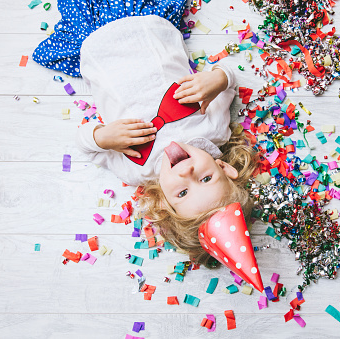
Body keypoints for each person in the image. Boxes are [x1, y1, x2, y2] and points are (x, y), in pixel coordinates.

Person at [32, 0, 258, 266]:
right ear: (222, 166)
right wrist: (218, 78)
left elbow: (85, 145)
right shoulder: (213, 130)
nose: (187, 173)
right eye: (206, 178)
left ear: (163, 203)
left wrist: (102, 137)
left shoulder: (135, 171)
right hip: (150, 22)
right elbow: (229, 84)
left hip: (93, 40)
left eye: (182, 193)